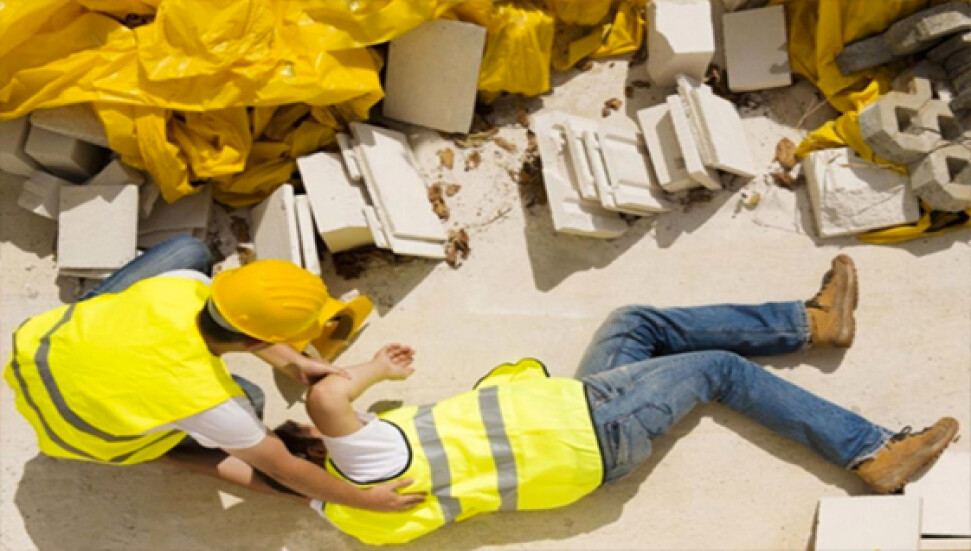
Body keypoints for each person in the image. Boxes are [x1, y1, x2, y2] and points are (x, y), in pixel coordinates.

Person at [276, 254, 959, 544]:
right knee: (717, 368)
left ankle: (812, 322)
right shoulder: (363, 457)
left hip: (577, 432)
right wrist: (374, 367)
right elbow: (330, 398)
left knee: (635, 323)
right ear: (316, 446)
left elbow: (261, 469)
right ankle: (871, 450)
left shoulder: (350, 517)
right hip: (589, 425)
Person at [4, 235, 423, 512]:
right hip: (82, 433)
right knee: (253, 405)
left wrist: (296, 362)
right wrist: (365, 501)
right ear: (259, 341)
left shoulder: (181, 285)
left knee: (189, 249)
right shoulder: (213, 401)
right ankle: (164, 450)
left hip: (39, 350)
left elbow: (238, 326)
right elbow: (283, 469)